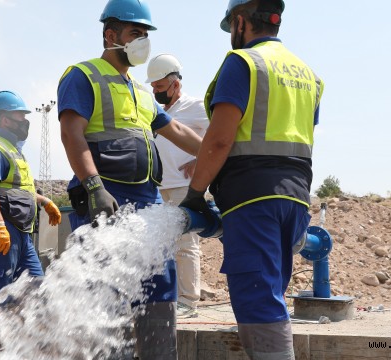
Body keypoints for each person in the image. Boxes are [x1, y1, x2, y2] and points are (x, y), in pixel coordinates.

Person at [179, 0, 324, 359]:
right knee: (270, 294)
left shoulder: (243, 63)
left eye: (231, 25)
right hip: (294, 200)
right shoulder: (308, 74)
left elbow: (220, 139)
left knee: (258, 303)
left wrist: (195, 195)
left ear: (241, 21)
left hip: (251, 201)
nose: (231, 33)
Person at [57, 0, 203, 358]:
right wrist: (94, 187)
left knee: (160, 288)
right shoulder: (83, 75)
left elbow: (178, 130)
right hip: (106, 202)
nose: (142, 41)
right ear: (111, 35)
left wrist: (214, 155)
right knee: (107, 299)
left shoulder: (140, 91)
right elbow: (71, 134)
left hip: (148, 204)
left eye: (145, 35)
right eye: (135, 33)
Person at [0, 90, 62, 349]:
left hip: (21, 233)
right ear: (3, 119)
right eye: (19, 116)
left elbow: (20, 190)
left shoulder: (15, 152)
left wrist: (45, 202)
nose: (25, 121)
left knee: (35, 286)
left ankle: (24, 346)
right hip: (2, 231)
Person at [146, 53, 209, 318]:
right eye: (153, 87)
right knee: (163, 246)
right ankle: (169, 299)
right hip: (159, 187)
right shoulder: (156, 111)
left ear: (176, 84)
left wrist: (199, 158)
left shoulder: (195, 107)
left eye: (160, 87)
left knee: (185, 243)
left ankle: (188, 302)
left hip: (185, 186)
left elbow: (223, 134)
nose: (155, 91)